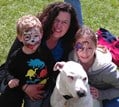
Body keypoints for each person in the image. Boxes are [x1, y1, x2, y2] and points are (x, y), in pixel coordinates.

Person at [0, 2, 79, 107]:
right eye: (56, 20)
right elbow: (10, 63)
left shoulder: (68, 41)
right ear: (50, 18)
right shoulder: (32, 31)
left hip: (42, 83)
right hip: (17, 76)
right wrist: (25, 87)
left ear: (70, 25)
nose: (59, 26)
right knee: (11, 95)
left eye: (65, 22)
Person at [0, 14, 54, 107]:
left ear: (41, 35)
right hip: (22, 85)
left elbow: (52, 65)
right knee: (8, 98)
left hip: (39, 90)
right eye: (28, 37)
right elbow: (9, 69)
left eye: (36, 36)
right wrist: (11, 79)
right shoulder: (17, 56)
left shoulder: (44, 51)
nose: (32, 41)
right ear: (20, 37)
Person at [68, 25, 119, 107]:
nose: (84, 53)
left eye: (89, 48)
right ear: (74, 46)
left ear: (96, 46)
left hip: (108, 94)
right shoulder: (71, 59)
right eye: (80, 47)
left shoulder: (107, 70)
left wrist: (101, 94)